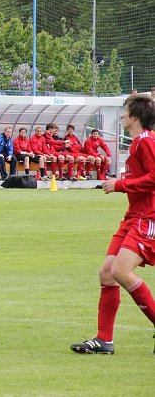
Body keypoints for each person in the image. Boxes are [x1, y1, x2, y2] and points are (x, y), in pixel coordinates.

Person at [70, 94, 155, 355]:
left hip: (148, 217)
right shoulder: (137, 143)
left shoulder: (146, 142)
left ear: (135, 116)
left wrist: (120, 185)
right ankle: (104, 340)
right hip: (133, 216)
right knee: (107, 273)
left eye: (124, 111)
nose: (121, 116)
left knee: (120, 271)